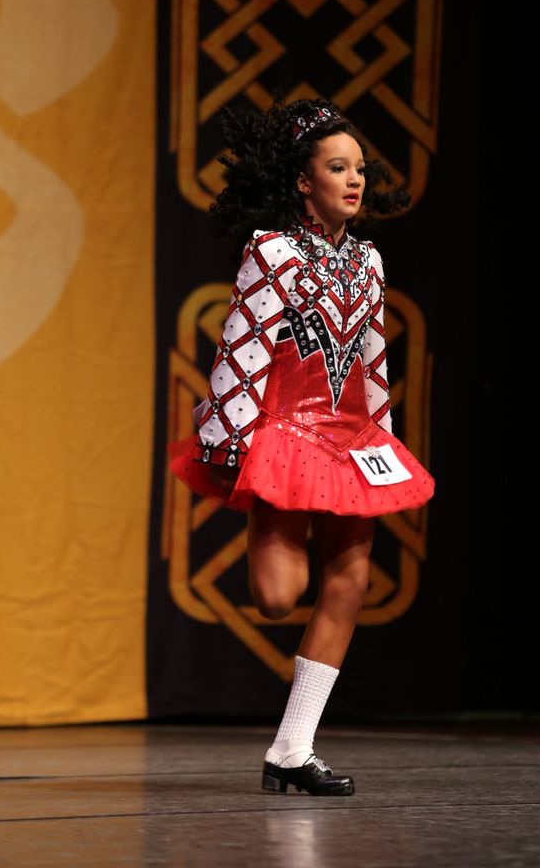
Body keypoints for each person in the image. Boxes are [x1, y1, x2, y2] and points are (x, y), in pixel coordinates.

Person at [168, 96, 435, 796]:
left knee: (350, 582)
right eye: (337, 167)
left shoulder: (369, 260)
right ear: (301, 180)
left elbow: (373, 359)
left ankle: (292, 749)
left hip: (350, 438)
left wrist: (382, 438)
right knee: (277, 597)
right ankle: (289, 746)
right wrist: (230, 442)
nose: (355, 180)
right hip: (285, 435)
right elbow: (244, 345)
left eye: (359, 169)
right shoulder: (273, 251)